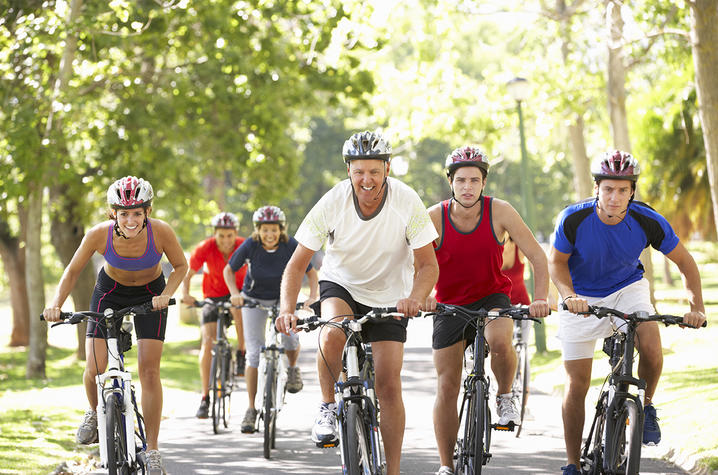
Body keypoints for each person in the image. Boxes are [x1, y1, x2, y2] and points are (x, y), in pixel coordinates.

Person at [276, 130, 440, 475]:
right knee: (333, 332)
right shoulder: (332, 202)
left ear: (388, 168)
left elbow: (428, 265)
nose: (367, 180)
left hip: (391, 294)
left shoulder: (407, 201)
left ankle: (392, 469)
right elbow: (295, 264)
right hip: (342, 284)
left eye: (374, 172)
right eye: (358, 171)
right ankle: (326, 406)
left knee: (388, 384)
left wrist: (415, 297)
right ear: (348, 170)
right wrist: (286, 309)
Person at [548, 150, 707, 475]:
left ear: (632, 191)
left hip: (627, 289)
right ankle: (572, 463)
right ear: (596, 188)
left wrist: (697, 308)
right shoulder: (573, 219)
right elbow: (557, 263)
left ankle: (646, 407)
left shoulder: (648, 220)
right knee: (577, 383)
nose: (615, 197)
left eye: (623, 190)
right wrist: (569, 296)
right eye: (608, 189)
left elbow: (686, 263)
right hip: (581, 296)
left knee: (651, 346)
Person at [43, 176, 188, 474]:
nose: (131, 219)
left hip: (151, 294)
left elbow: (181, 266)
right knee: (94, 367)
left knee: (149, 370)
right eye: (124, 213)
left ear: (148, 211)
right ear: (113, 214)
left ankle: (153, 450)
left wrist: (166, 294)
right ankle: (96, 413)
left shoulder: (161, 232)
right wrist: (56, 304)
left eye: (137, 212)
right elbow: (72, 271)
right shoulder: (99, 234)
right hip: (109, 292)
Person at [426, 146, 550, 475]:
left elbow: (538, 256)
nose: (468, 187)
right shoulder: (433, 217)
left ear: (484, 183)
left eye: (475, 180)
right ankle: (445, 465)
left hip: (492, 297)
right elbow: (413, 264)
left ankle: (505, 396)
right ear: (450, 182)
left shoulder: (500, 211)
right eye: (462, 180)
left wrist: (540, 299)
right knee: (447, 385)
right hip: (449, 305)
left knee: (499, 341)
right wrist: (420, 295)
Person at [223, 205, 319, 433]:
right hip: (253, 300)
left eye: (274, 230)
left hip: (283, 300)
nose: (269, 234)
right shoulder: (251, 245)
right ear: (258, 230)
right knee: (254, 353)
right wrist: (235, 294)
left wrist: (312, 297)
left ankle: (293, 368)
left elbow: (310, 271)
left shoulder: (290, 245)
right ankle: (250, 409)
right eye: (265, 230)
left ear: (281, 229)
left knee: (289, 340)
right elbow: (229, 270)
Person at [182, 212, 248, 419]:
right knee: (208, 342)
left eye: (229, 236)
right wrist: (185, 294)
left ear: (235, 233)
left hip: (238, 293)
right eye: (221, 236)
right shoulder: (206, 247)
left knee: (238, 310)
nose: (226, 241)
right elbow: (188, 272)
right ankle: (204, 397)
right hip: (212, 296)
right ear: (215, 234)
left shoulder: (243, 245)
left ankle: (241, 353)